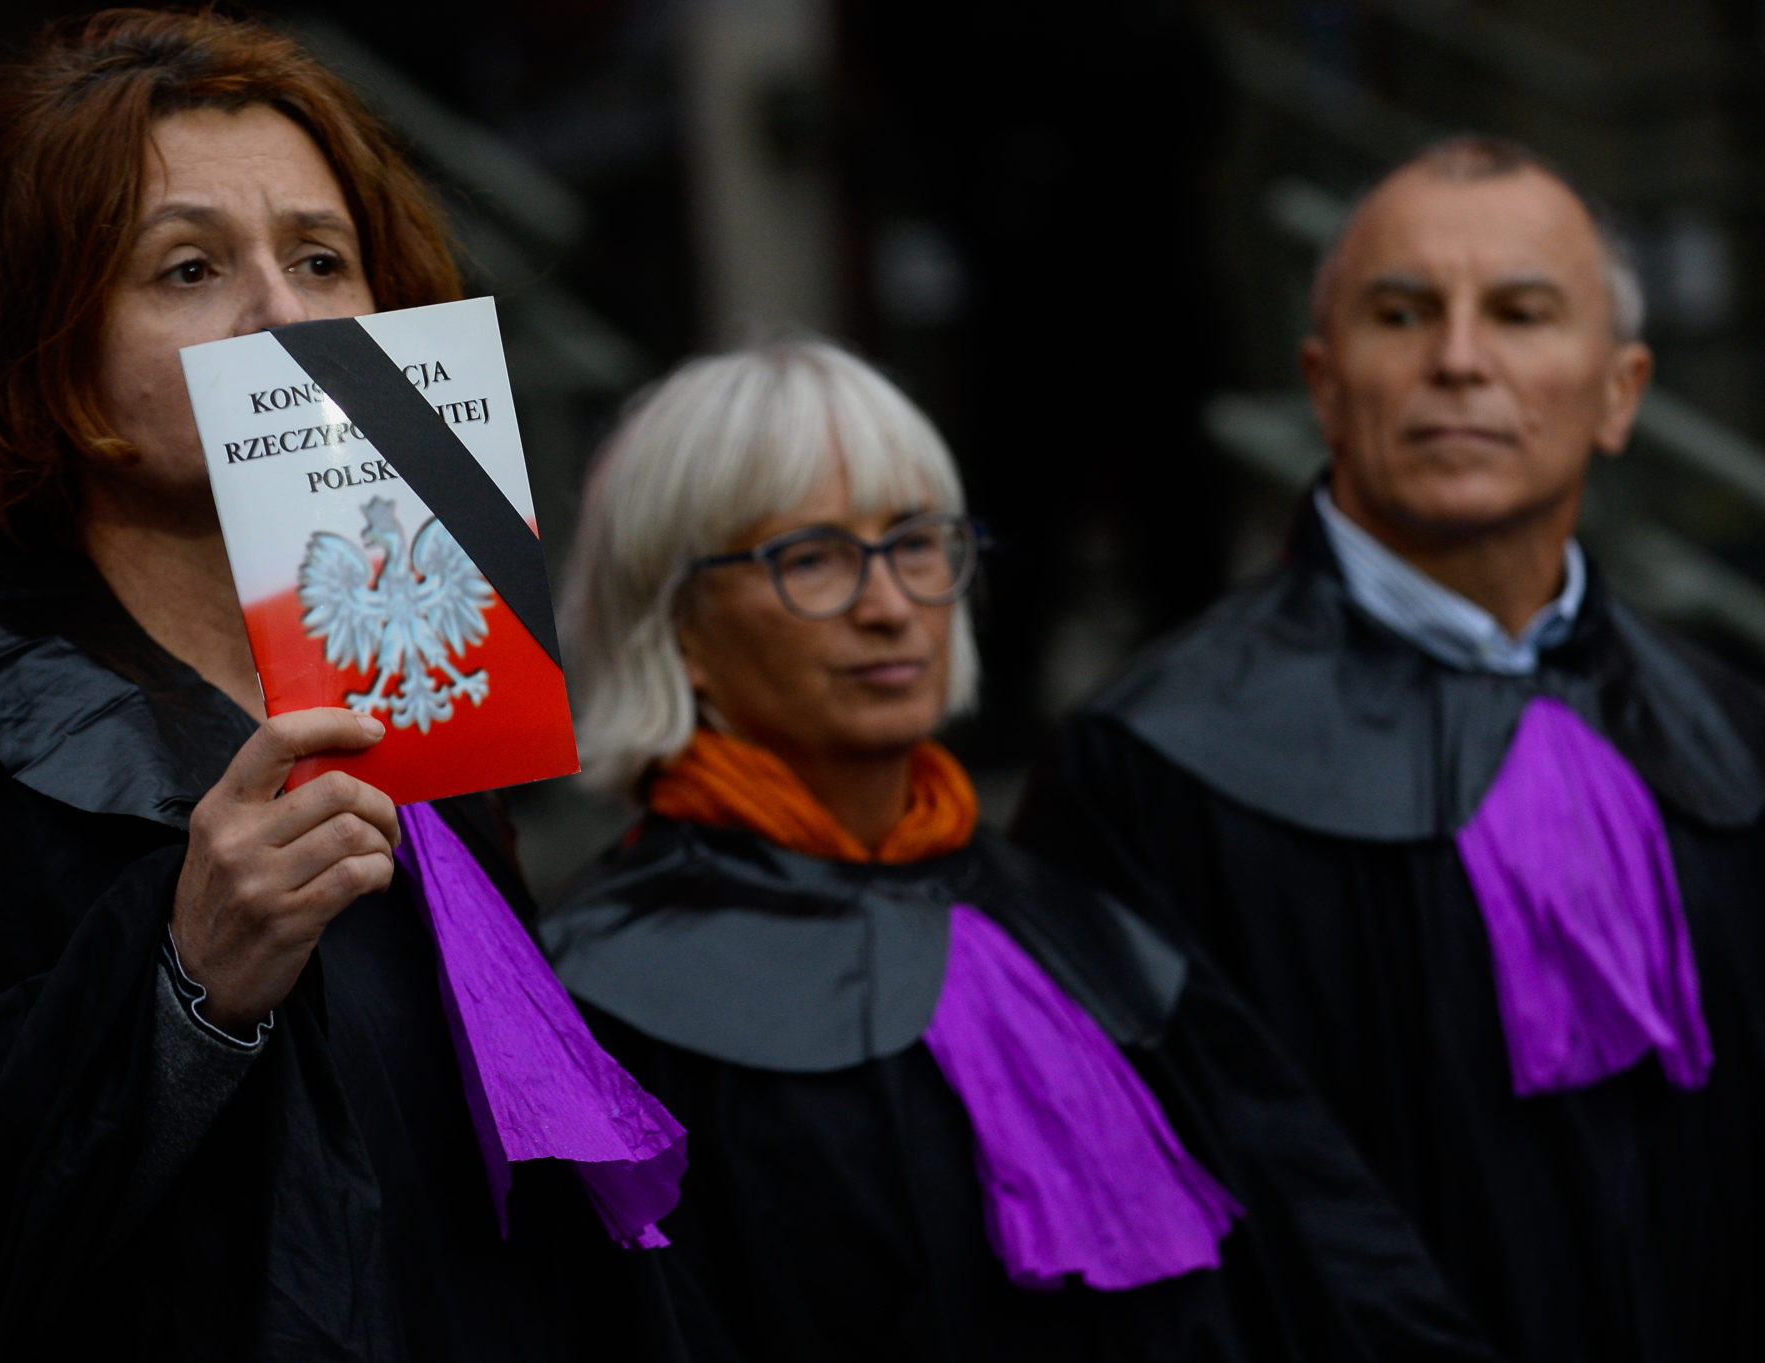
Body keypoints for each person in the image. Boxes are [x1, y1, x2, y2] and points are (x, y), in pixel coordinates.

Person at [0, 11, 688, 1359]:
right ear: (55, 357)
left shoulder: (422, 681)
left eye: (320, 258)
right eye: (188, 268)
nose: (284, 315)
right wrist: (185, 982)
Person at [542, 339, 1499, 1362]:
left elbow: (1330, 1262)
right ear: (676, 624)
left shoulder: (1070, 919)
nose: (888, 603)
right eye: (809, 558)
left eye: (915, 542)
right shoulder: (598, 995)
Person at [1013, 135, 1765, 1363]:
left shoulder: (1727, 739)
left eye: (1519, 312)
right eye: (1400, 312)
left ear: (1619, 393)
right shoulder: (1150, 768)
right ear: (1321, 381)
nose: (1457, 360)